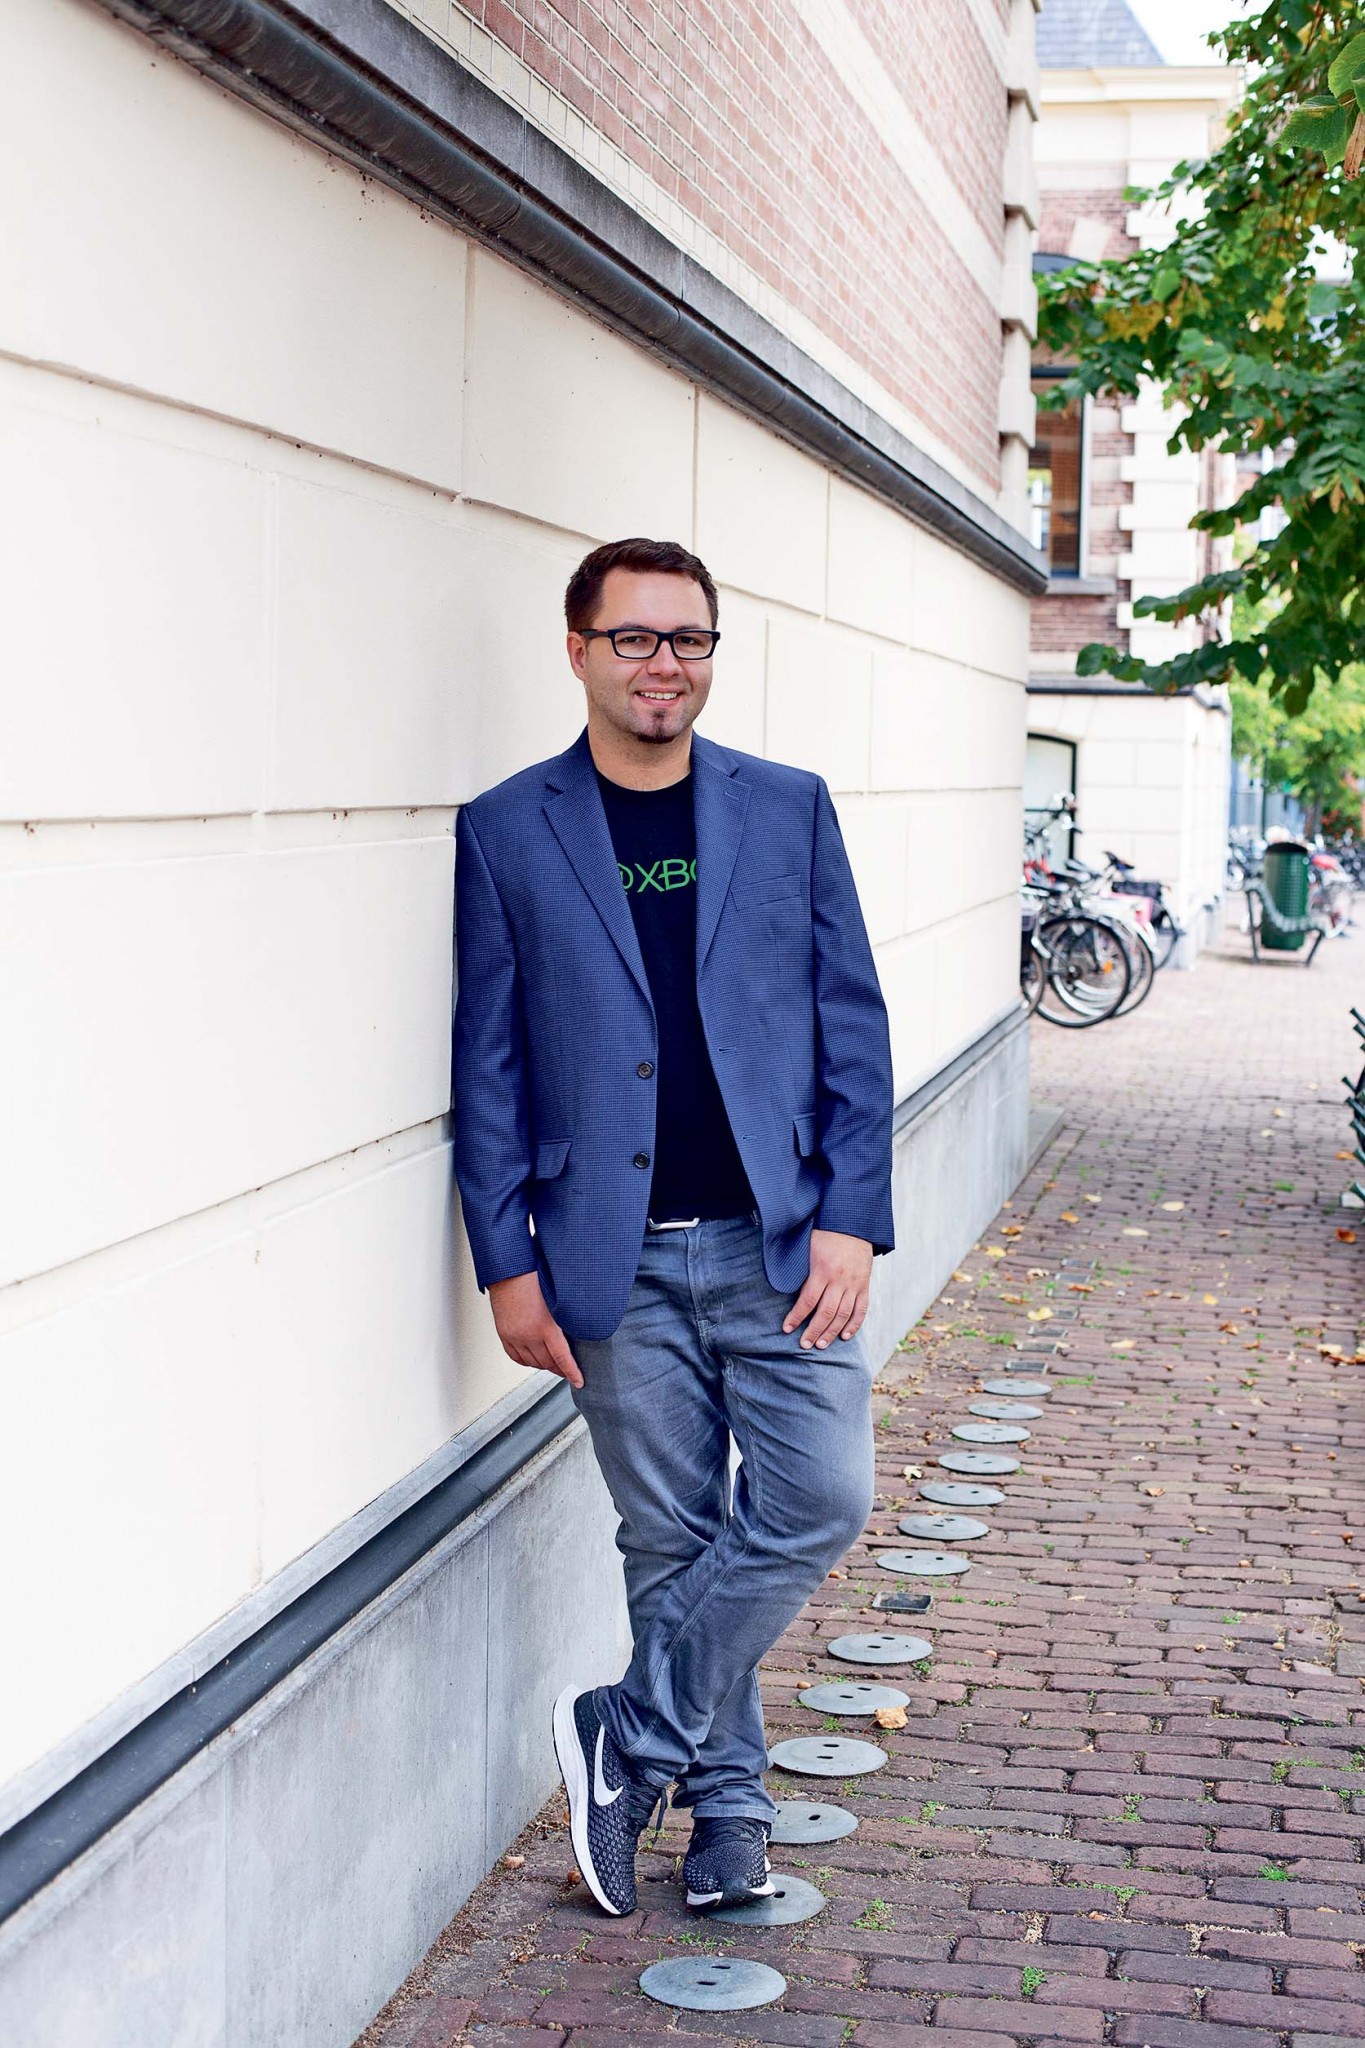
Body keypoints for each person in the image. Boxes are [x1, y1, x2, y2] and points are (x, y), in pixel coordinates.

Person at [453, 536, 893, 1917]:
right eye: (635, 638)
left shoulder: (787, 808)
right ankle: (729, 1821)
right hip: (610, 1254)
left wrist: (852, 1218)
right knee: (671, 1540)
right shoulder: (507, 827)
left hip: (780, 1242)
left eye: (688, 639)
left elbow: (851, 1021)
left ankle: (631, 1736)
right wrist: (506, 1261)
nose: (664, 664)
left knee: (819, 1499)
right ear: (578, 650)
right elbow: (487, 1063)